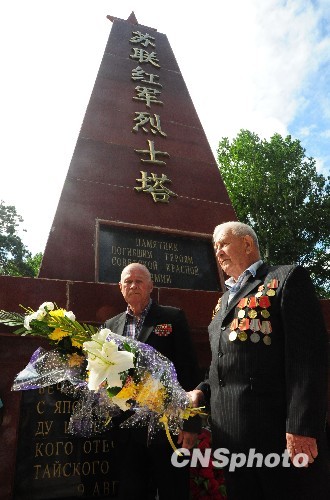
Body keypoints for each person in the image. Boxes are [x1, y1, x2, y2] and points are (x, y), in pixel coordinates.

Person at [189, 221, 329, 499]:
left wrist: (301, 427)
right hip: (230, 439)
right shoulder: (223, 301)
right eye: (215, 247)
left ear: (247, 244)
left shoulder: (285, 279)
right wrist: (201, 391)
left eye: (223, 244)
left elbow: (307, 358)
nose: (218, 252)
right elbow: (224, 364)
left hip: (276, 437)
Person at [104, 262, 200, 500]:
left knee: (173, 490)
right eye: (128, 281)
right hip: (126, 429)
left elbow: (189, 372)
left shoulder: (172, 317)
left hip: (167, 427)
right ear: (120, 287)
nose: (133, 285)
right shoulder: (110, 326)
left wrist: (191, 423)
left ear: (150, 287)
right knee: (131, 491)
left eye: (139, 281)